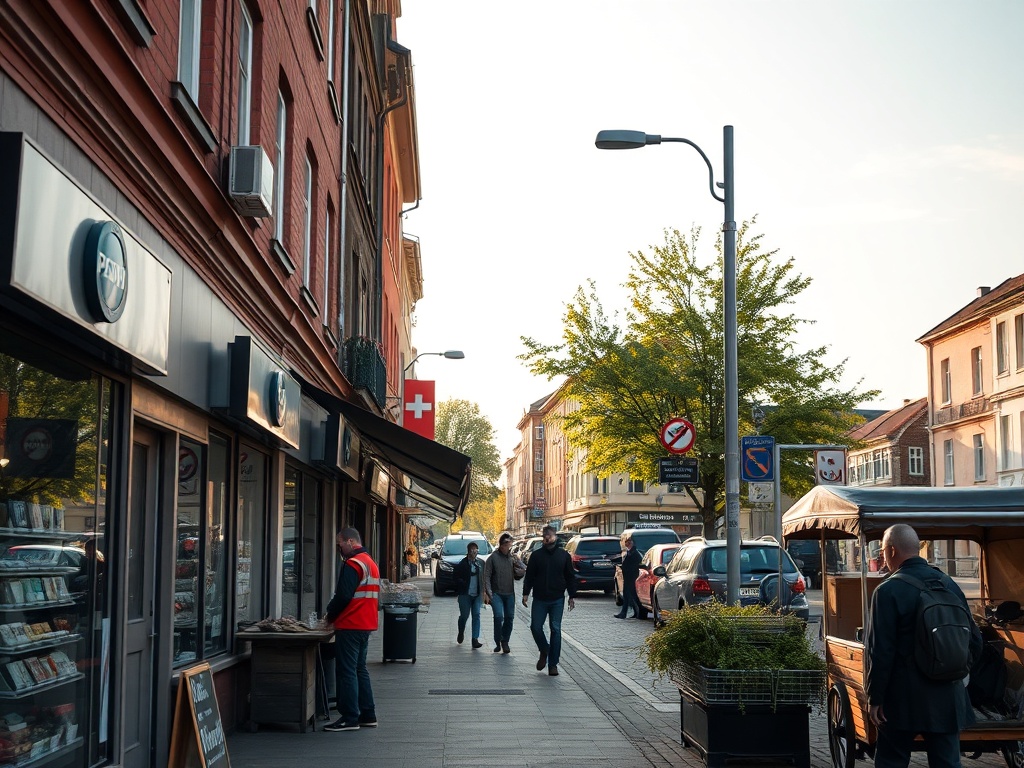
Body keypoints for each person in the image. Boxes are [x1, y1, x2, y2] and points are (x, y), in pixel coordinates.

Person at [865, 524, 982, 768]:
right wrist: (955, 672)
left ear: (892, 550)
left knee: (892, 761)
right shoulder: (948, 584)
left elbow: (881, 651)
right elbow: (974, 640)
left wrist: (875, 697)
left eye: (883, 550)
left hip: (902, 699)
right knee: (947, 763)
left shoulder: (887, 591)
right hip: (948, 695)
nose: (882, 556)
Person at [323, 528, 380, 732]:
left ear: (349, 541)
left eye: (340, 544)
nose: (339, 548)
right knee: (359, 669)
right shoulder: (370, 563)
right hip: (366, 624)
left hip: (350, 624)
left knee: (347, 670)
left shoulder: (352, 564)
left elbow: (343, 596)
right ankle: (368, 714)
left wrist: (330, 615)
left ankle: (349, 717)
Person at [522, 525, 576, 676]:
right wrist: (525, 593)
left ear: (555, 537)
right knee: (535, 627)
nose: (547, 537)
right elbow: (530, 576)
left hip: (557, 599)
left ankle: (553, 665)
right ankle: (545, 649)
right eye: (545, 535)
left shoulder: (563, 555)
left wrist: (572, 595)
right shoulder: (536, 556)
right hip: (539, 598)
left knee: (555, 629)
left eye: (550, 535)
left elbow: (570, 576)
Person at [483, 532, 522, 653]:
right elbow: (487, 576)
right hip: (497, 594)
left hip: (510, 594)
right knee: (499, 616)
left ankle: (505, 641)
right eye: (507, 545)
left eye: (510, 545)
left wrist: (519, 567)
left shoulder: (512, 558)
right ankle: (497, 641)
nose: (509, 548)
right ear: (502, 545)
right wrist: (489, 593)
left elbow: (522, 570)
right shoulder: (493, 558)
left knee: (509, 617)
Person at [454, 541, 484, 649]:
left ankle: (474, 639)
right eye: (472, 550)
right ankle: (461, 631)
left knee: (476, 615)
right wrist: (462, 583)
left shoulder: (480, 563)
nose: (474, 553)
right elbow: (456, 577)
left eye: (476, 551)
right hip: (465, 595)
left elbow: (484, 577)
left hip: (477, 595)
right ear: (468, 551)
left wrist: (485, 592)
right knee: (464, 616)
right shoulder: (462, 564)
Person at [608, 536, 641, 619]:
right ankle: (635, 612)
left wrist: (624, 568)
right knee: (629, 596)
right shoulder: (629, 552)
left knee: (631, 596)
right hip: (628, 578)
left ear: (632, 543)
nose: (627, 543)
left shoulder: (634, 553)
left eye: (628, 541)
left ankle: (636, 612)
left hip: (631, 578)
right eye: (626, 541)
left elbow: (634, 565)